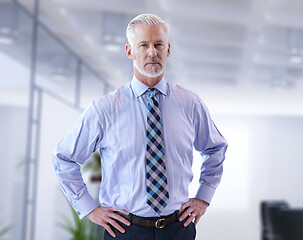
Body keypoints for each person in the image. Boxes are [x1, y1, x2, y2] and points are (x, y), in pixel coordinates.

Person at [52, 13, 227, 240]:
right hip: (125, 230)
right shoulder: (104, 109)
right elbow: (64, 157)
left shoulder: (190, 104)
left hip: (178, 229)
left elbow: (215, 148)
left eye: (158, 45)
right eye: (143, 45)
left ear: (168, 50)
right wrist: (89, 208)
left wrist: (203, 197)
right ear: (129, 51)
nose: (152, 52)